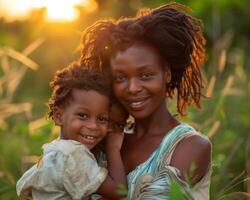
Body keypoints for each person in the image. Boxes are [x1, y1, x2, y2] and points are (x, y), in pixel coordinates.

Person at [80, 2, 212, 199]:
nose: (132, 88)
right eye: (120, 78)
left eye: (146, 75)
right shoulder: (102, 139)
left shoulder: (190, 146)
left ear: (166, 73)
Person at [16, 61, 128, 200]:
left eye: (102, 119)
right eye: (83, 115)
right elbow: (120, 192)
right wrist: (113, 148)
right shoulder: (73, 155)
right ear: (59, 116)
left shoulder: (55, 152)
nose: (93, 126)